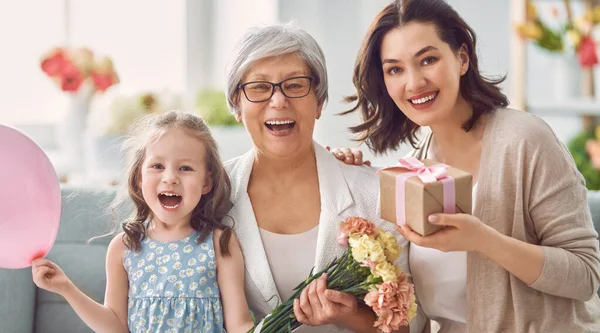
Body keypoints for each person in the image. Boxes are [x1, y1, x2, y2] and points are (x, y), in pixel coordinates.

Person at [333, 0, 600, 332]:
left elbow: (585, 275)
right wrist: (347, 175)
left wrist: (483, 240)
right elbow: (414, 317)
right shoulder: (417, 164)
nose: (414, 83)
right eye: (395, 69)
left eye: (427, 60)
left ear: (461, 58)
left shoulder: (524, 141)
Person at [224, 24, 426, 333]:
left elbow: (409, 325)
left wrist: (350, 316)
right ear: (237, 105)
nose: (278, 101)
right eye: (259, 87)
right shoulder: (210, 195)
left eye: (295, 85)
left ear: (319, 102)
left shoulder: (375, 194)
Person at [31, 111, 254, 333]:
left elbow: (240, 326)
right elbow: (115, 326)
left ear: (206, 182)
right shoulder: (124, 247)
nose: (170, 178)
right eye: (157, 166)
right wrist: (65, 288)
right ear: (139, 177)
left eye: (185, 168)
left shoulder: (219, 242)